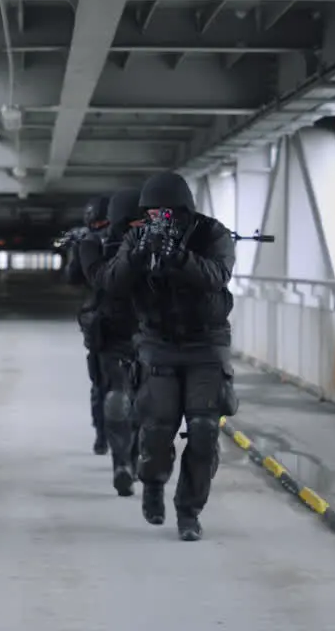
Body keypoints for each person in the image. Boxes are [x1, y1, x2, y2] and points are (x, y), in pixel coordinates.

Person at [94, 171, 237, 542]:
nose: (161, 218)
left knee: (204, 430)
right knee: (157, 430)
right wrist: (137, 256)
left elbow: (217, 275)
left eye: (168, 212)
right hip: (158, 343)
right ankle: (153, 485)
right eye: (153, 212)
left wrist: (179, 257)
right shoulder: (137, 238)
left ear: (185, 210)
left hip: (206, 344)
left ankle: (189, 511)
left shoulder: (211, 234)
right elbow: (111, 283)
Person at [76, 188, 143, 497]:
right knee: (127, 397)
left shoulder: (99, 244)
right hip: (129, 333)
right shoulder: (103, 246)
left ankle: (127, 460)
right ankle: (127, 461)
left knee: (130, 398)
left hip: (137, 333)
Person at [63, 195, 110, 455]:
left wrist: (76, 250)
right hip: (139, 321)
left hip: (100, 322)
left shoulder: (89, 241)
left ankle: (102, 437)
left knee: (101, 382)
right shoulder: (133, 235)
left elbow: (72, 277)